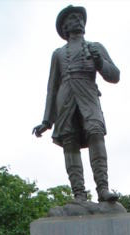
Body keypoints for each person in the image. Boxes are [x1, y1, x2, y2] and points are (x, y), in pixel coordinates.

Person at [32, 5, 120, 203]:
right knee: (69, 141)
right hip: (65, 98)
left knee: (96, 133)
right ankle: (79, 193)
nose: (78, 21)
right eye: (72, 18)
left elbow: (114, 75)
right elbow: (52, 88)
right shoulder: (58, 54)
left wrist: (99, 63)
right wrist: (47, 121)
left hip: (88, 94)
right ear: (64, 27)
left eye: (80, 18)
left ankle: (103, 189)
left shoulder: (96, 46)